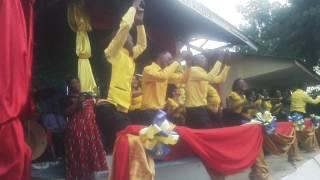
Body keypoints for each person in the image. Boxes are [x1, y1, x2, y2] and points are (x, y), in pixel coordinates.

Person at [95, 0, 147, 151]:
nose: (130, 38)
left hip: (122, 108)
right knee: (127, 141)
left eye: (131, 37)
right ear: (120, 40)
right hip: (108, 105)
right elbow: (124, 27)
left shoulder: (130, 56)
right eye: (128, 37)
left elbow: (142, 45)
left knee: (116, 146)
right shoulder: (112, 53)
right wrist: (133, 8)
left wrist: (140, 24)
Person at [64, 77, 107, 180]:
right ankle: (80, 176)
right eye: (73, 83)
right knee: (79, 151)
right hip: (77, 129)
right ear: (70, 86)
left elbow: (94, 108)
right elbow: (65, 112)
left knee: (91, 151)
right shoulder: (68, 98)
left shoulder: (87, 95)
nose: (76, 84)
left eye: (77, 82)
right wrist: (78, 104)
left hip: (90, 128)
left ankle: (90, 176)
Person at [185, 54, 230, 129]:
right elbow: (210, 77)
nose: (205, 59)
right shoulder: (193, 70)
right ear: (195, 61)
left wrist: (227, 66)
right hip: (195, 109)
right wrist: (219, 60)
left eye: (205, 57)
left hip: (200, 108)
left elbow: (220, 79)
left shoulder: (202, 74)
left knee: (210, 130)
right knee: (207, 132)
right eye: (202, 57)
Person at [140, 50, 181, 125]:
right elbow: (163, 77)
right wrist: (176, 62)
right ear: (160, 56)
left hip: (160, 111)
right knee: (151, 136)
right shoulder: (148, 69)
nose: (170, 61)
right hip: (149, 112)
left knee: (161, 136)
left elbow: (181, 79)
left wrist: (189, 64)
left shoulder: (165, 72)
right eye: (169, 58)